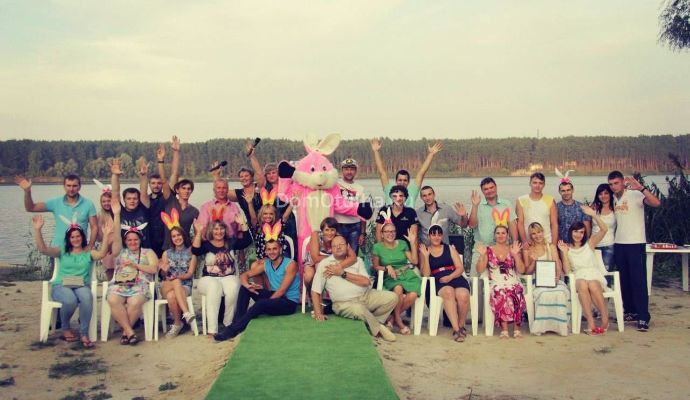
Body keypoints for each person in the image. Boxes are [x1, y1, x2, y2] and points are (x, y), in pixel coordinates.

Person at [32, 214, 113, 348]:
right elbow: (43, 250)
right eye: (72, 237)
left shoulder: (88, 252)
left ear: (82, 237)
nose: (76, 239)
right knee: (70, 300)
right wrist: (37, 230)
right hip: (61, 285)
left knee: (87, 297)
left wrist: (106, 235)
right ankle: (65, 328)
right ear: (69, 239)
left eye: (78, 236)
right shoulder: (62, 251)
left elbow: (102, 254)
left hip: (81, 285)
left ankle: (84, 333)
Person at [311, 235, 398, 342]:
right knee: (359, 309)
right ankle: (379, 328)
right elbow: (315, 290)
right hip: (343, 303)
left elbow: (366, 282)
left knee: (392, 297)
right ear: (331, 249)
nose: (338, 247)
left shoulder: (357, 261)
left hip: (366, 296)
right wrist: (318, 313)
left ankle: (373, 322)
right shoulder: (325, 264)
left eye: (341, 244)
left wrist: (343, 273)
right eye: (334, 246)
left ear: (348, 246)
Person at [214, 239, 300, 341]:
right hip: (275, 296)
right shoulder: (266, 264)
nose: (272, 252)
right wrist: (248, 285)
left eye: (274, 249)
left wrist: (265, 303)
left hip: (288, 303)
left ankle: (232, 330)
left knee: (260, 304)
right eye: (269, 249)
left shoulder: (291, 264)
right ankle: (237, 322)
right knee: (245, 289)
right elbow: (244, 275)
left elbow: (282, 291)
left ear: (280, 249)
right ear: (266, 251)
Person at [608, 171, 660, 332]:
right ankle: (630, 311)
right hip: (619, 243)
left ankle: (643, 316)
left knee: (638, 280)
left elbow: (656, 203)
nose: (613, 186)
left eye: (616, 183)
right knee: (624, 280)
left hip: (635, 243)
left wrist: (641, 188)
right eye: (611, 184)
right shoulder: (613, 198)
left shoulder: (635, 194)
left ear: (623, 182)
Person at [106, 201, 158, 345]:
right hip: (120, 284)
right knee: (113, 299)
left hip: (139, 284)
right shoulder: (120, 252)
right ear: (125, 241)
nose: (133, 242)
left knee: (134, 302)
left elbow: (154, 269)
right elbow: (117, 236)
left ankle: (125, 333)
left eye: (135, 239)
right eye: (129, 240)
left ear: (140, 240)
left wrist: (137, 265)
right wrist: (117, 214)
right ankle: (129, 332)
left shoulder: (148, 252)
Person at [191, 215, 251, 335]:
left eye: (221, 228)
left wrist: (243, 224)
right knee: (214, 286)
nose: (219, 232)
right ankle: (212, 330)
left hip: (228, 277)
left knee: (234, 286)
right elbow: (195, 250)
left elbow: (247, 242)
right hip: (208, 279)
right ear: (211, 231)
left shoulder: (231, 242)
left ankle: (228, 324)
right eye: (216, 229)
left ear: (225, 230)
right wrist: (198, 232)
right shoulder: (206, 244)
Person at [468, 177, 518, 318]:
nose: (489, 191)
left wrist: (515, 243)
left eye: (491, 187)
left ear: (496, 187)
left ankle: (504, 313)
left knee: (504, 280)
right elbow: (471, 224)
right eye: (486, 189)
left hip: (502, 249)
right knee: (475, 281)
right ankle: (478, 317)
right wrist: (475, 206)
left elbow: (512, 224)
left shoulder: (506, 204)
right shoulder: (477, 205)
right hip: (481, 249)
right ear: (482, 191)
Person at [557, 205, 610, 335]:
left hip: (593, 275)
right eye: (575, 231)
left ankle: (604, 319)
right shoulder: (566, 248)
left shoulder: (590, 243)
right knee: (582, 283)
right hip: (578, 277)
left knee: (592, 284)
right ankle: (591, 322)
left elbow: (604, 229)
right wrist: (564, 253)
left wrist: (593, 215)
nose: (578, 235)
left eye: (581, 232)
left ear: (584, 233)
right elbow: (567, 271)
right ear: (571, 232)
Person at [15, 174, 98, 250]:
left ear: (79, 187)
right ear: (64, 187)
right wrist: (27, 192)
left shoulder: (88, 204)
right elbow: (31, 208)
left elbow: (94, 227)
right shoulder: (55, 203)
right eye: (68, 185)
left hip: (80, 250)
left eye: (74, 186)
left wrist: (90, 245)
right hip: (58, 250)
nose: (71, 189)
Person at [419, 225, 471, 342]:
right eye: (433, 234)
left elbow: (460, 268)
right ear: (429, 236)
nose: (436, 237)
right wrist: (426, 257)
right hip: (438, 280)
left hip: (455, 276)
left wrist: (450, 277)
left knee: (463, 294)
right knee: (448, 292)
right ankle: (456, 329)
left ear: (442, 236)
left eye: (439, 234)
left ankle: (461, 325)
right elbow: (426, 274)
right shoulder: (425, 251)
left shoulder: (449, 248)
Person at [475, 225, 526, 339]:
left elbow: (522, 270)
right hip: (496, 282)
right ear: (494, 235)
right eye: (498, 233)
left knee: (516, 290)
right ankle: (504, 329)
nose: (500, 235)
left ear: (507, 235)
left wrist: (516, 255)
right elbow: (479, 270)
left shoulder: (513, 248)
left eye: (503, 233)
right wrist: (482, 256)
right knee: (501, 292)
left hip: (512, 281)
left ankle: (517, 329)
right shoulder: (488, 250)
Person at [522, 222, 570, 336]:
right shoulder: (528, 249)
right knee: (544, 294)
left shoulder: (550, 247)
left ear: (543, 232)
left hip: (552, 279)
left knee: (560, 293)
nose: (537, 235)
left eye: (539, 232)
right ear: (530, 235)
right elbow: (527, 272)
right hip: (537, 281)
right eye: (533, 233)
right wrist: (533, 261)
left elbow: (557, 264)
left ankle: (559, 326)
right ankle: (543, 326)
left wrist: (557, 277)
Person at [371, 223, 420, 335]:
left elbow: (415, 261)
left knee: (413, 295)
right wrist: (387, 267)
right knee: (398, 288)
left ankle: (392, 319)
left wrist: (412, 243)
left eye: (393, 231)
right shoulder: (377, 247)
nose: (390, 234)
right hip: (391, 276)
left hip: (407, 275)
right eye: (387, 231)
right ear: (382, 234)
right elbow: (376, 266)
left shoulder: (402, 243)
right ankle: (399, 321)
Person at [371, 138, 442, 208]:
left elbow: (421, 173)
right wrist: (376, 151)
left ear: (408, 182)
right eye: (400, 180)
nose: (402, 182)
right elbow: (382, 172)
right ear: (396, 181)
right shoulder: (389, 190)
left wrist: (431, 154)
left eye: (405, 180)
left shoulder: (412, 191)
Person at [156, 139, 199, 250]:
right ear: (177, 190)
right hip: (168, 249)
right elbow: (165, 179)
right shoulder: (170, 200)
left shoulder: (194, 211)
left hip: (186, 249)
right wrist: (161, 160)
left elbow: (197, 232)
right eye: (183, 188)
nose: (186, 191)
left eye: (189, 189)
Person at [159, 224, 197, 338]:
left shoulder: (192, 254)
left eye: (179, 235)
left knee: (172, 295)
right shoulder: (166, 253)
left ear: (183, 236)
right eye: (174, 236)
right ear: (171, 239)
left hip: (185, 286)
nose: (177, 238)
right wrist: (164, 270)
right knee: (175, 282)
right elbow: (163, 275)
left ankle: (177, 324)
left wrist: (178, 277)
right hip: (167, 285)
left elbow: (190, 274)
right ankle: (186, 312)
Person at [148, 136, 181, 257]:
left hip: (167, 242)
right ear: (149, 184)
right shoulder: (145, 200)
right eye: (153, 183)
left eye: (159, 183)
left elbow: (174, 174)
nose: (156, 185)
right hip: (150, 242)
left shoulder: (167, 196)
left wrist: (175, 152)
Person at [110, 157, 152, 249]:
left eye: (135, 198)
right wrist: (115, 175)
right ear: (124, 200)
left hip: (144, 252)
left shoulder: (144, 210)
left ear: (139, 200)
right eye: (129, 198)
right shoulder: (118, 211)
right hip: (124, 252)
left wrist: (144, 176)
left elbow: (143, 192)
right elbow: (115, 193)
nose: (132, 201)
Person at [303, 217, 357, 286]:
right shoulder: (316, 235)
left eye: (332, 230)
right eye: (327, 230)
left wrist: (338, 265)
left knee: (323, 270)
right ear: (322, 230)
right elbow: (315, 258)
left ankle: (323, 291)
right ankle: (311, 292)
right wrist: (335, 257)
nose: (329, 233)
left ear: (336, 231)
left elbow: (353, 258)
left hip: (330, 263)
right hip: (312, 262)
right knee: (308, 276)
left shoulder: (339, 238)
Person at [334, 158, 368, 254]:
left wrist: (362, 233)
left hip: (355, 226)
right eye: (346, 169)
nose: (349, 172)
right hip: (338, 225)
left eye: (352, 169)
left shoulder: (360, 188)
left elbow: (364, 213)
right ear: (342, 170)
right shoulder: (335, 184)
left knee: (353, 254)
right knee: (338, 254)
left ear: (356, 171)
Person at [517, 172, 558, 244]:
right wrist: (524, 241)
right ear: (530, 183)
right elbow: (520, 223)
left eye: (540, 183)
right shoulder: (521, 200)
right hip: (529, 243)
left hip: (547, 242)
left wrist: (554, 244)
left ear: (544, 185)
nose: (537, 186)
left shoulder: (550, 200)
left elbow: (554, 224)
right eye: (535, 183)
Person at [556, 178, 591, 244]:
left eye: (568, 190)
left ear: (572, 190)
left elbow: (587, 229)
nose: (566, 193)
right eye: (563, 191)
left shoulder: (582, 207)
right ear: (559, 192)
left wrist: (584, 244)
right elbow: (554, 227)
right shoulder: (555, 208)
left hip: (578, 245)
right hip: (562, 245)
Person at [591, 184, 617, 270]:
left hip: (608, 245)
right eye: (600, 194)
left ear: (610, 194)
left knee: (606, 272)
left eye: (606, 193)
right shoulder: (594, 208)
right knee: (593, 272)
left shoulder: (615, 208)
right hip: (593, 245)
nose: (603, 196)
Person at [94, 182, 116, 280]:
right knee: (109, 269)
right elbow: (99, 236)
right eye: (104, 201)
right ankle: (109, 283)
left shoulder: (117, 214)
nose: (106, 203)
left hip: (118, 246)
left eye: (108, 201)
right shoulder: (100, 216)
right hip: (106, 247)